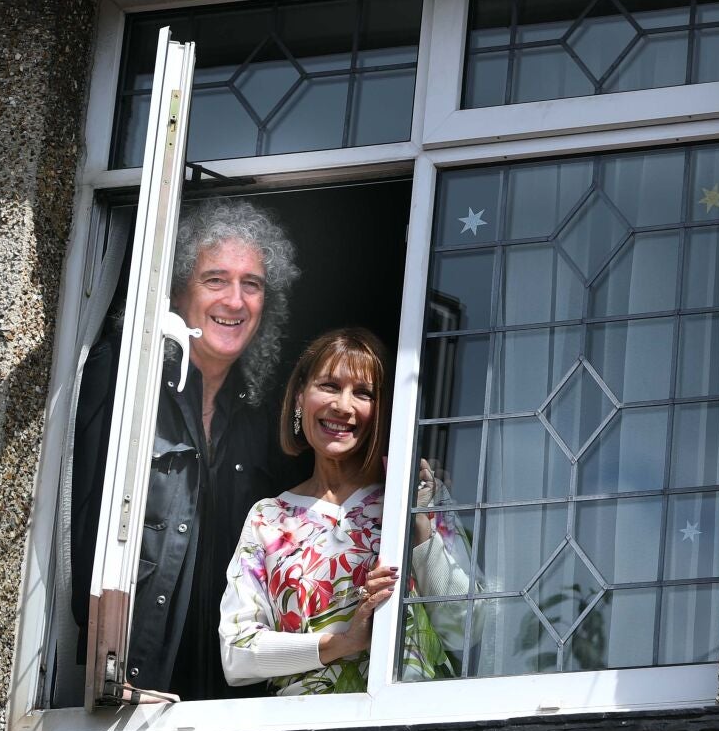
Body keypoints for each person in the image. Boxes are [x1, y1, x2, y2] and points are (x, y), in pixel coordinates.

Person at [71, 199, 305, 703]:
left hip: (225, 691)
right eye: (215, 280)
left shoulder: (262, 414)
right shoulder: (123, 378)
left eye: (253, 285)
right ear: (177, 291)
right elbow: (72, 519)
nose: (235, 301)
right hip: (127, 683)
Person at [219, 328, 471, 695]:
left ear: (382, 411)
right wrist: (344, 642)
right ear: (300, 397)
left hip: (410, 728)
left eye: (363, 393)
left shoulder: (417, 496)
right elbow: (236, 653)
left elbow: (465, 628)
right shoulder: (269, 518)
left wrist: (418, 521)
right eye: (330, 386)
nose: (343, 405)